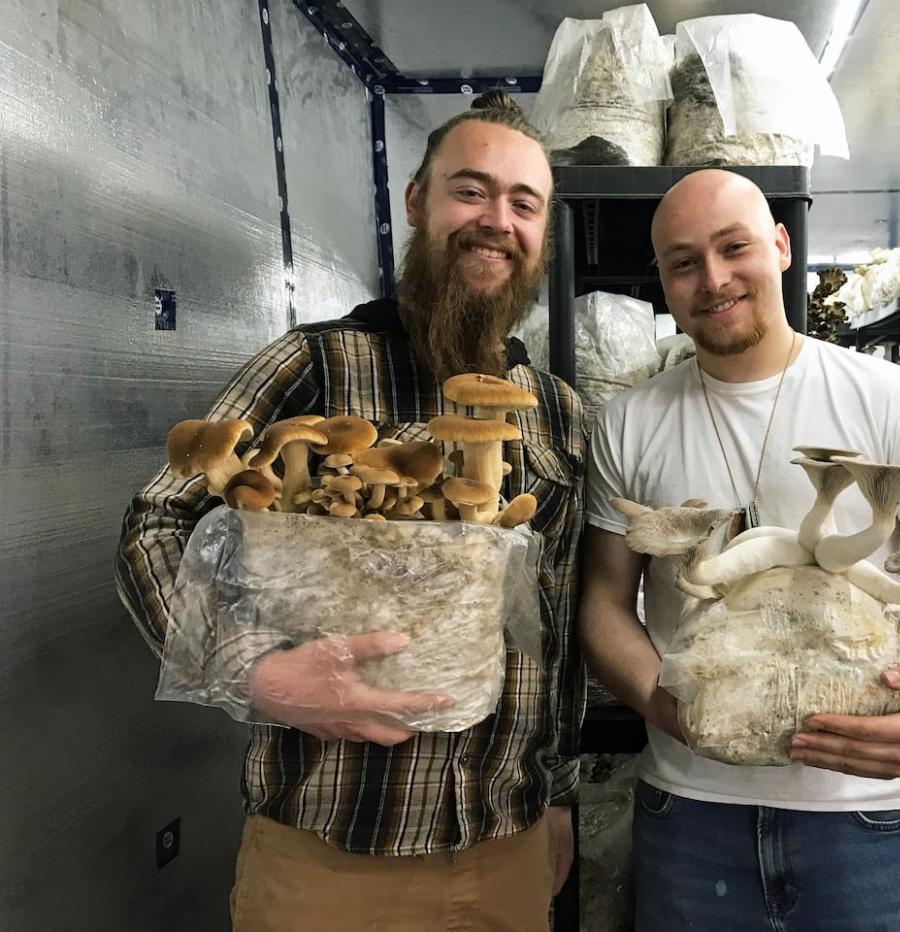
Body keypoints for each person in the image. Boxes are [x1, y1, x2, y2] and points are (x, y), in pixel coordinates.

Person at [115, 91, 585, 932]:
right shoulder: (315, 364)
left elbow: (560, 627)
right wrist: (254, 669)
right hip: (331, 853)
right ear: (417, 202)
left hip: (506, 848)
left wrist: (558, 797)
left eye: (524, 204)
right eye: (470, 191)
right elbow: (156, 526)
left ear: (544, 233)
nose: (496, 221)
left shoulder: (558, 413)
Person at [578, 168, 900, 931]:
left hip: (869, 817)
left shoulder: (887, 397)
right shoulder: (629, 422)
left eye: (734, 247)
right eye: (684, 261)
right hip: (694, 813)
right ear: (662, 278)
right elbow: (603, 605)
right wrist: (669, 704)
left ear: (780, 246)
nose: (713, 279)